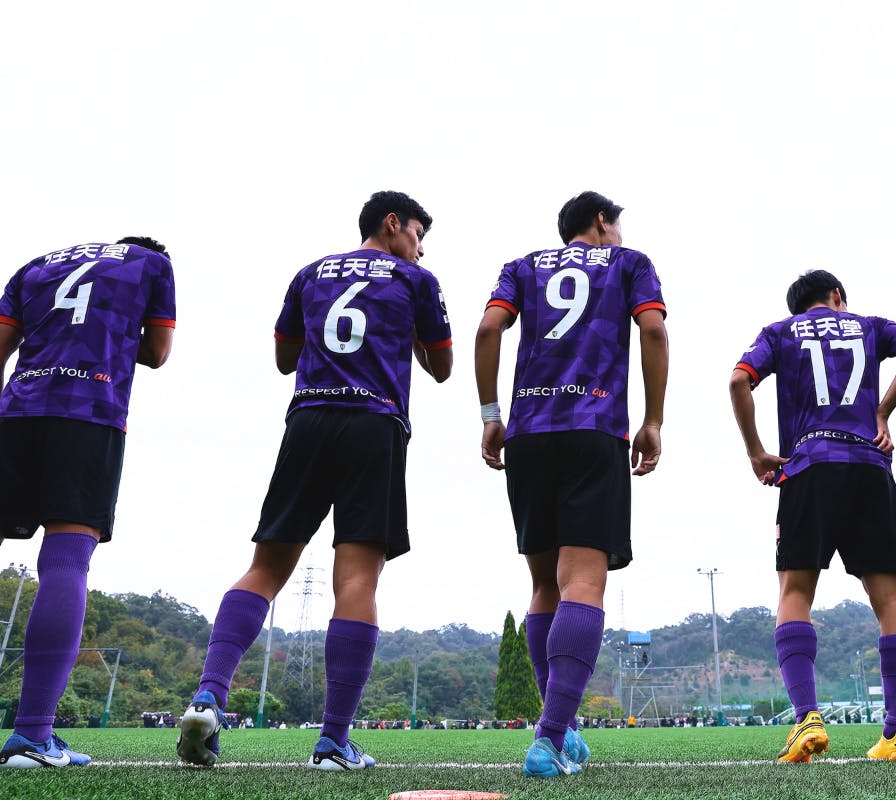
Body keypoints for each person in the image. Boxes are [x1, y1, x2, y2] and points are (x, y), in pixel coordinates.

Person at [175, 191, 452, 771]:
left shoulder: (309, 273)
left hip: (307, 420)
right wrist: (408, 333)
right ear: (392, 224)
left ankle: (208, 696)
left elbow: (284, 359)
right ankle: (332, 742)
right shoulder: (416, 280)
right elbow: (442, 367)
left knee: (265, 567)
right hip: (374, 422)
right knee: (357, 578)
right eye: (418, 235)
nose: (421, 249)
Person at [474, 191, 668, 778]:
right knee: (582, 580)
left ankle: (564, 728)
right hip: (593, 428)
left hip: (530, 433)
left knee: (543, 584)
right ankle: (550, 738)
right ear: (602, 221)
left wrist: (490, 415)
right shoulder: (630, 262)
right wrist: (653, 421)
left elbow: (488, 330)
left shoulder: (521, 266)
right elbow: (654, 332)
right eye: (616, 224)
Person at [730, 269, 896, 764]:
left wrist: (756, 451)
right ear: (837, 296)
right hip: (869, 465)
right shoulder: (870, 325)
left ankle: (807, 718)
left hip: (810, 465)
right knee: (889, 596)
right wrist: (882, 412)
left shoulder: (780, 332)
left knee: (795, 591)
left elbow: (738, 380)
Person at [0, 237, 174, 769]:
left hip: (15, 413)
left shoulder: (36, 266)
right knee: (65, 559)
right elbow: (157, 353)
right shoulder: (152, 264)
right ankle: (32, 735)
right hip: (88, 412)